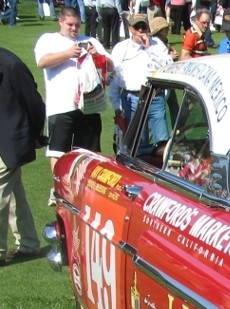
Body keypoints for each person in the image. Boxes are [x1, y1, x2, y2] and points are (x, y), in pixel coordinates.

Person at [35, 6, 109, 180]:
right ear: (60, 21)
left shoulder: (90, 40)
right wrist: (67, 54)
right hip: (61, 105)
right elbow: (42, 61)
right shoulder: (49, 39)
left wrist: (96, 55)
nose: (74, 29)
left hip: (89, 105)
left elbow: (110, 66)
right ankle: (58, 188)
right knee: (58, 151)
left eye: (77, 25)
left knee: (89, 153)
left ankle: (83, 188)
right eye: (70, 25)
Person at [0, 47, 47, 265]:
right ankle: (29, 243)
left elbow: (35, 104)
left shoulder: (11, 64)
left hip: (10, 139)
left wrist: (35, 134)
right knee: (13, 194)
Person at [109, 15, 173, 147]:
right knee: (138, 143)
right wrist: (116, 105)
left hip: (154, 97)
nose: (140, 30)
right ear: (130, 29)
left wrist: (149, 48)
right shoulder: (120, 48)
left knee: (162, 141)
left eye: (143, 27)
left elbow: (167, 68)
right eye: (137, 27)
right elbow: (114, 77)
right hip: (130, 98)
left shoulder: (157, 45)